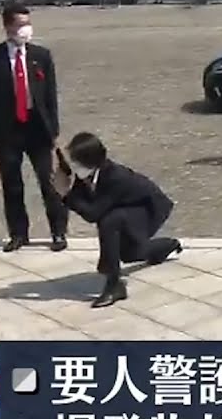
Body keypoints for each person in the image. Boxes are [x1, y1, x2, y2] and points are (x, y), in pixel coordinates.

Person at [50, 132, 182, 308]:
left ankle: (114, 285)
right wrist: (65, 188)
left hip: (149, 209)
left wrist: (66, 194)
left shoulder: (115, 176)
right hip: (127, 209)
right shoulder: (87, 176)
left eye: (76, 162)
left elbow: (93, 213)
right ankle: (166, 246)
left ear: (90, 161)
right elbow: (84, 202)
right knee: (129, 254)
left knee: (109, 221)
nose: (73, 165)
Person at [0, 2, 69, 253]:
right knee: (12, 184)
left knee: (48, 182)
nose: (25, 29)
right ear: (7, 26)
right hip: (7, 129)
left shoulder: (41, 55)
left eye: (28, 23)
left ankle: (58, 231)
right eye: (20, 24)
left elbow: (50, 96)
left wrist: (54, 130)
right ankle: (18, 233)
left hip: (37, 127)